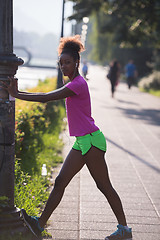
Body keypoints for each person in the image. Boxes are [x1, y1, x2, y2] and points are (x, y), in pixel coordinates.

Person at [1, 35, 132, 240]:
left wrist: (17, 94)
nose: (63, 66)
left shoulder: (78, 84)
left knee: (104, 186)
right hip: (83, 141)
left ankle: (124, 230)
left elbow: (46, 97)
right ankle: (39, 224)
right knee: (61, 181)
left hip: (91, 140)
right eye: (61, 63)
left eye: (67, 62)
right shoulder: (74, 83)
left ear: (76, 63)